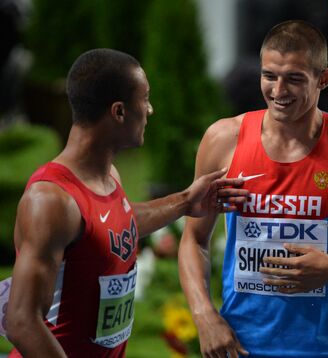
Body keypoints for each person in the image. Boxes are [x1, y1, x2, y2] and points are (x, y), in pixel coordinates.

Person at [179, 20, 328, 357]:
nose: (278, 90)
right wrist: (204, 316)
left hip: (322, 347)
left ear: (323, 79)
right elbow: (194, 238)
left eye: (294, 78)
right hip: (239, 347)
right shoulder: (223, 139)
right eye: (269, 75)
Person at [5, 48, 248, 357]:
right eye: (144, 99)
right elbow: (22, 322)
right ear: (119, 112)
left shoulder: (108, 178)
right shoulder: (51, 201)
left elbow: (115, 225)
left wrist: (186, 201)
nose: (150, 110)